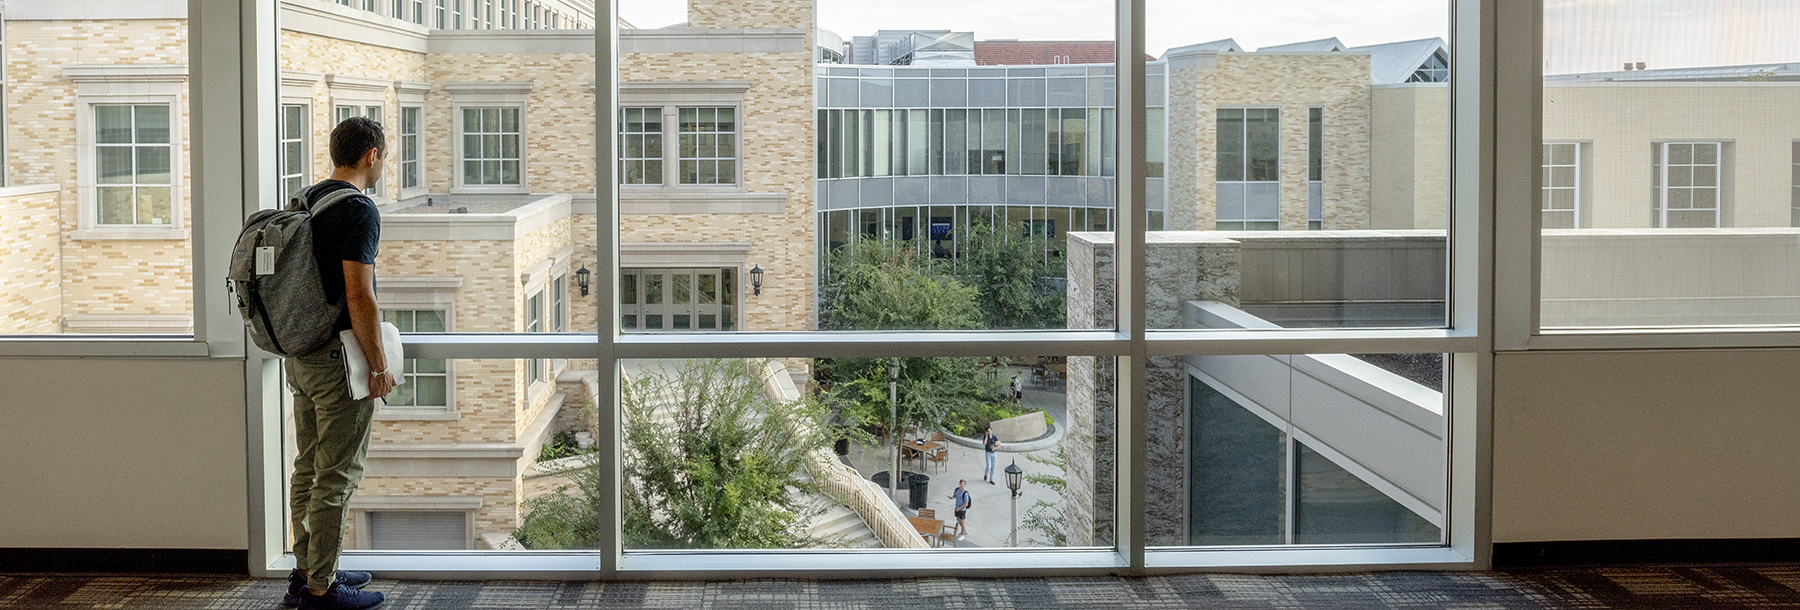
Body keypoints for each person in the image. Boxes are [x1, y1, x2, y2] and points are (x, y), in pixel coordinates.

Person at [284, 117, 390, 610]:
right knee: (337, 475)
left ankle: (307, 570)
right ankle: (322, 591)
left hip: (300, 355)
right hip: (336, 362)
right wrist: (378, 365)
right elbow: (359, 295)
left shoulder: (306, 200)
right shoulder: (358, 210)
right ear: (372, 155)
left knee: (307, 466)